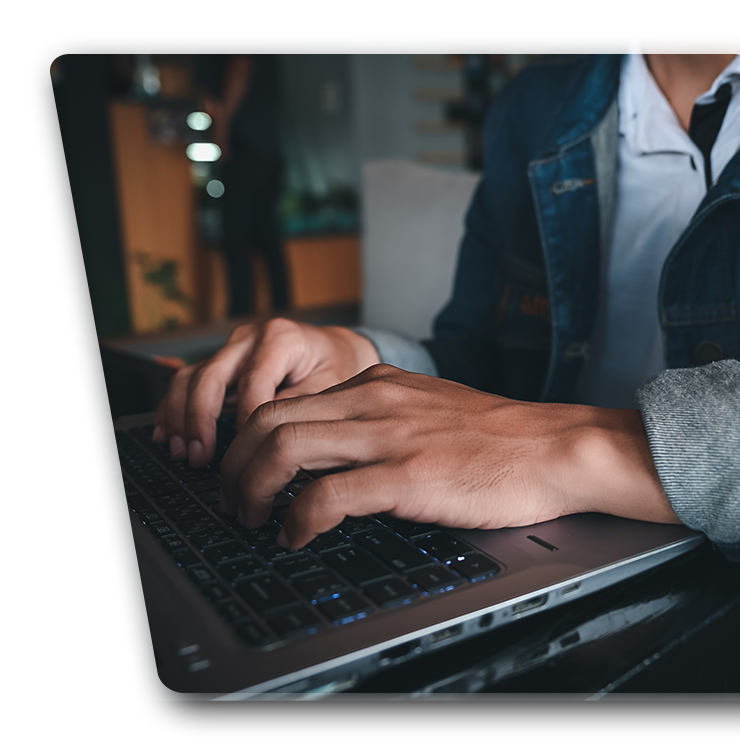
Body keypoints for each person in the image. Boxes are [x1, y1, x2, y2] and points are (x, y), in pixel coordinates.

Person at [156, 39, 739, 561]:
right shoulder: (536, 101)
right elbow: (485, 352)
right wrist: (361, 355)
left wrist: (572, 450)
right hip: (545, 546)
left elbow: (515, 428)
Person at [196, 39, 289, 316]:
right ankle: (284, 314)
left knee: (235, 239)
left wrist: (221, 128)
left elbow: (240, 67)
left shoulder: (240, 47)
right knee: (267, 237)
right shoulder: (266, 49)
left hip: (248, 151)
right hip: (268, 152)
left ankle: (239, 317)